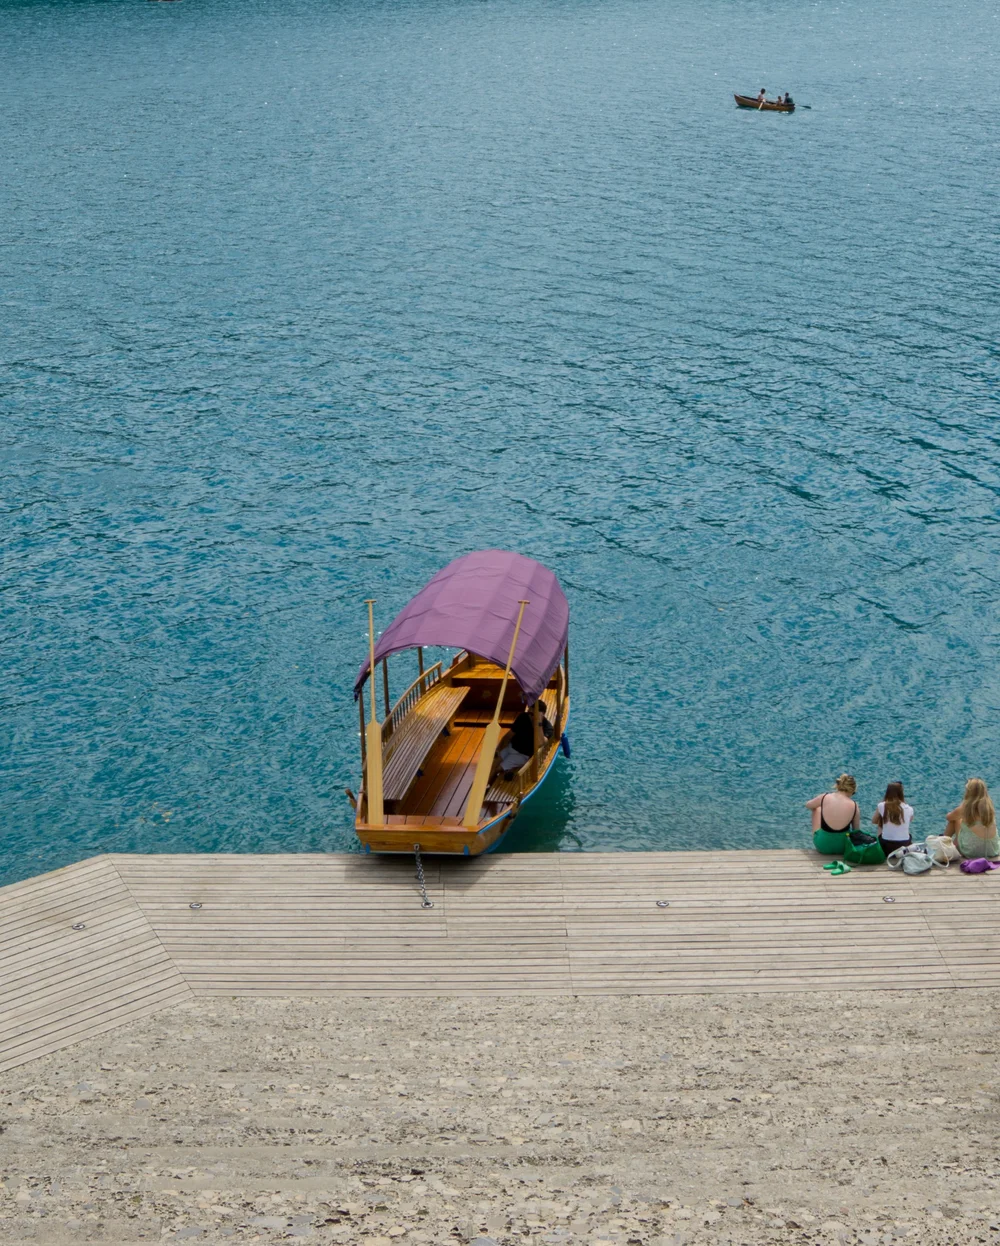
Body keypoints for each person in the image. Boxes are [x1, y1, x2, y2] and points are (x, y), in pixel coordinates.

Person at [494, 701, 553, 780]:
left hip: (523, 755)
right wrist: (499, 748)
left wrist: (538, 723)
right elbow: (509, 735)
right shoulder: (523, 717)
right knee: (493, 764)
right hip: (511, 748)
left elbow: (540, 743)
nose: (529, 715)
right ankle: (487, 785)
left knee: (498, 768)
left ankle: (493, 781)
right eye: (529, 713)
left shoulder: (547, 727)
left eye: (532, 714)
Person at [944, 778, 1000, 860]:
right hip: (992, 850)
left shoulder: (965, 808)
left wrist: (962, 805)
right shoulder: (989, 808)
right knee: (965, 828)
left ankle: (943, 845)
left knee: (955, 820)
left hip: (971, 852)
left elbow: (949, 817)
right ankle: (952, 844)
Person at [806, 774, 861, 855]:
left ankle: (820, 835)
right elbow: (856, 831)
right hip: (843, 848)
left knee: (817, 809)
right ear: (852, 790)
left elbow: (808, 805)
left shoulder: (824, 797)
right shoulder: (854, 805)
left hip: (823, 846)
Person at [871, 781, 914, 859]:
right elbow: (909, 820)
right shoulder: (909, 808)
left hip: (887, 848)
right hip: (904, 846)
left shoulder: (882, 805)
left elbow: (874, 821)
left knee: (881, 821)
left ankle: (880, 849)